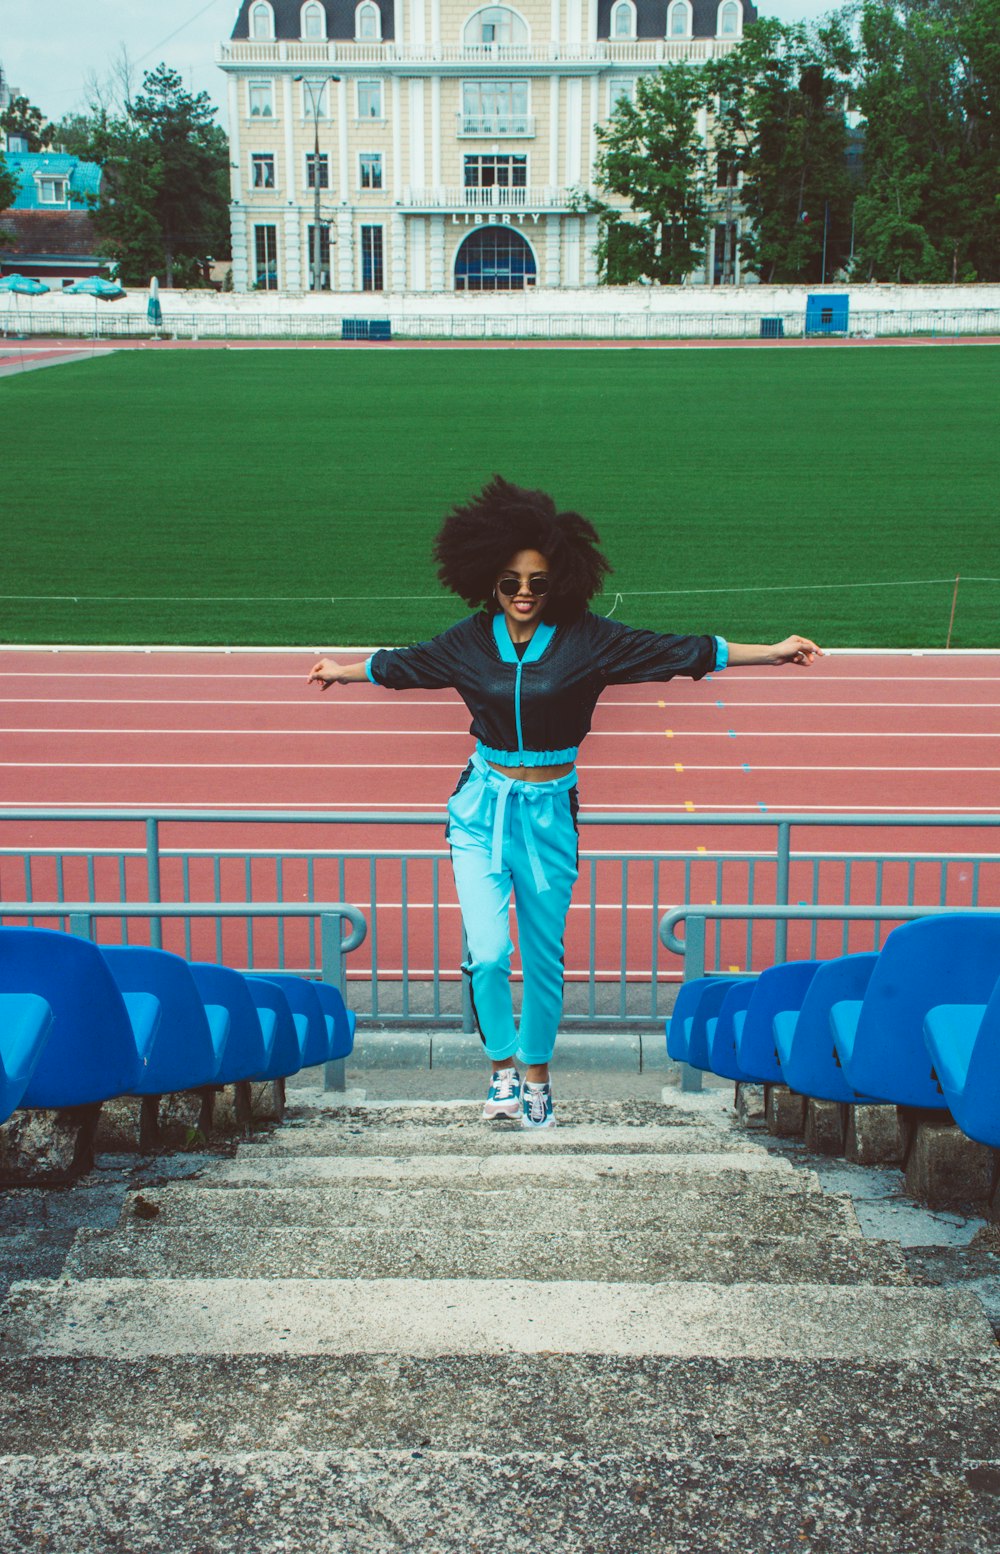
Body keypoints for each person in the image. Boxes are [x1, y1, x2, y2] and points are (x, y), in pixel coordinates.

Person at [309, 476, 821, 1130]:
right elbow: (406, 664)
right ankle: (500, 1068)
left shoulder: (588, 639)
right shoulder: (470, 640)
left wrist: (771, 654)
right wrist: (341, 670)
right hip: (480, 811)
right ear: (489, 582)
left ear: (561, 582)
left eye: (539, 583)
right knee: (489, 953)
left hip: (550, 814)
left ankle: (537, 1073)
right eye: (510, 582)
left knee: (544, 957)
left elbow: (677, 652)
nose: (524, 595)